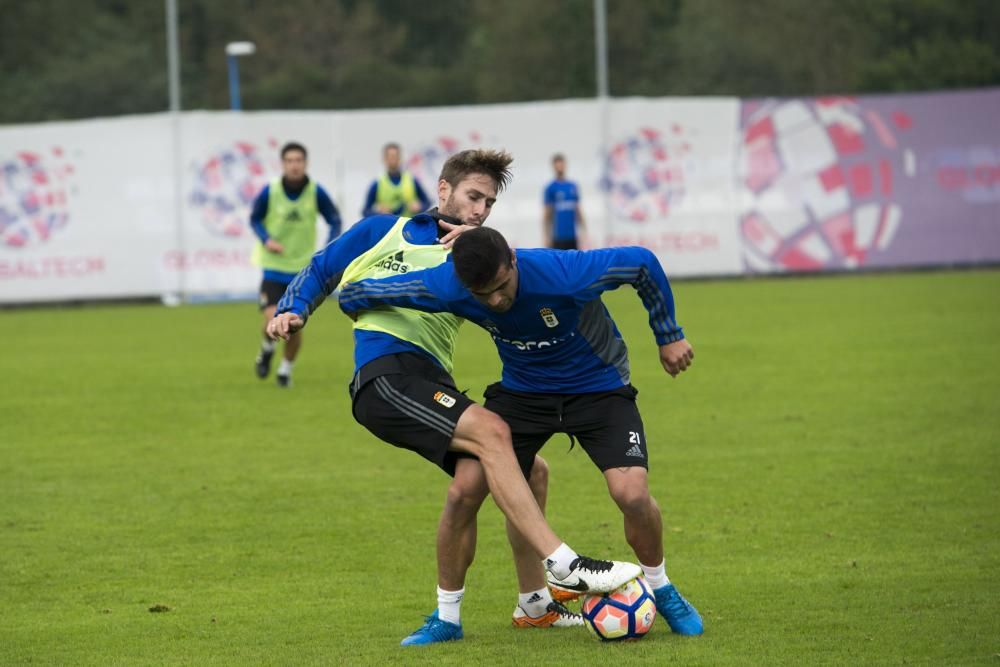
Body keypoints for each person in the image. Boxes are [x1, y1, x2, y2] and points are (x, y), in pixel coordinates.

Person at [266, 149, 641, 646]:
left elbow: (517, 283)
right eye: (472, 196)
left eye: (488, 202)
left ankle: (522, 607)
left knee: (529, 472)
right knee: (494, 431)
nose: (480, 209)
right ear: (443, 190)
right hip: (386, 375)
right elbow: (322, 268)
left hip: (432, 380)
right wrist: (293, 309)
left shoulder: (473, 259)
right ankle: (565, 564)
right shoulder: (381, 231)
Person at [338, 226, 705, 636]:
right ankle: (446, 617)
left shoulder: (563, 272)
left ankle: (662, 588)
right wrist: (348, 298)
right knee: (464, 491)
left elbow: (641, 262)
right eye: (483, 295)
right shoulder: (450, 285)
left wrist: (668, 334)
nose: (495, 300)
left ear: (512, 260)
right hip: (522, 396)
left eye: (501, 287)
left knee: (632, 495)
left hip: (598, 388)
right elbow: (380, 292)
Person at [251, 141, 342, 387]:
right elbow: (255, 219)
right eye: (289, 161)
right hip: (273, 268)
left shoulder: (315, 191)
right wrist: (266, 239)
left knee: (293, 326)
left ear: (305, 163)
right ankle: (267, 347)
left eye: (298, 161)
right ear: (283, 164)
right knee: (273, 319)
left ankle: (284, 371)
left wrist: (330, 245)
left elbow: (334, 219)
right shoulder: (270, 191)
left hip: (302, 273)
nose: (294, 165)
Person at [361, 142, 432, 218]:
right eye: (390, 157)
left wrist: (419, 207)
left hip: (408, 227)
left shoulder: (412, 181)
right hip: (387, 228)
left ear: (400, 158)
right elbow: (365, 211)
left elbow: (427, 202)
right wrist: (378, 212)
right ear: (384, 159)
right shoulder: (377, 184)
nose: (393, 160)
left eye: (395, 156)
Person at [542, 153, 586, 249]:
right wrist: (546, 236)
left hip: (572, 236)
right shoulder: (550, 188)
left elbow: (578, 210)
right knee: (558, 263)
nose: (560, 168)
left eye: (561, 164)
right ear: (553, 167)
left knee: (574, 262)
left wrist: (584, 232)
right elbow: (546, 215)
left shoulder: (573, 186)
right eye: (557, 165)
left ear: (565, 165)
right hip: (558, 237)